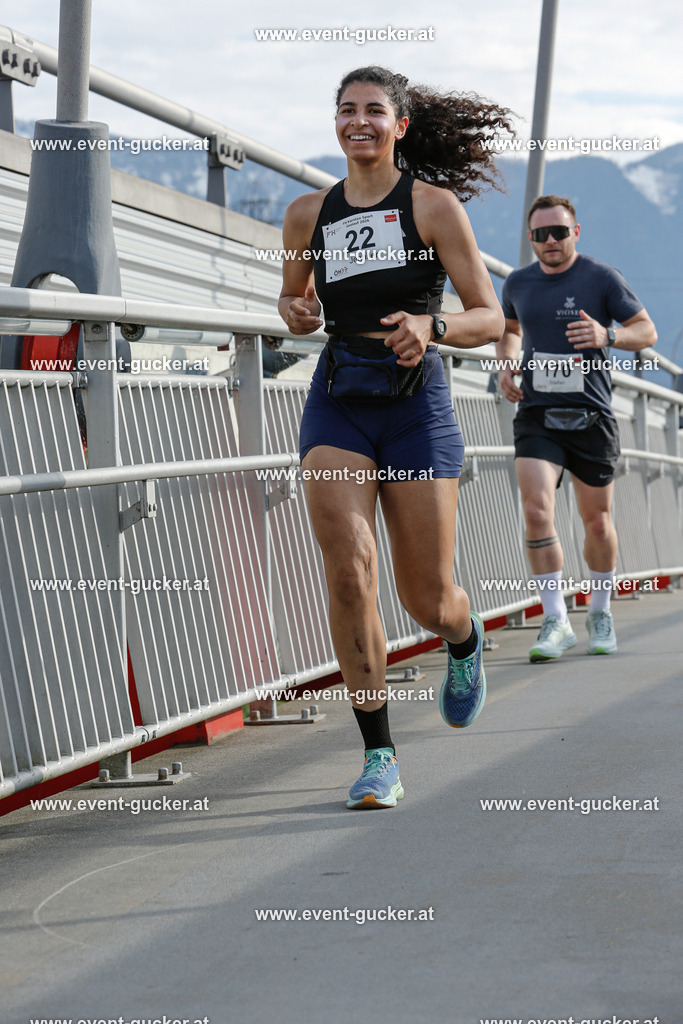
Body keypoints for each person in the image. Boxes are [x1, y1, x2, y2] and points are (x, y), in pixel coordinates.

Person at [278, 65, 511, 808]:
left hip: (416, 409)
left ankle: (462, 634)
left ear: (399, 126)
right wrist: (296, 311)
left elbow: (489, 316)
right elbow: (292, 294)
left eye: (374, 111)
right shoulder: (307, 213)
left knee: (424, 597)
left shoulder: (433, 207)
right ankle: (379, 754)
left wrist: (430, 325)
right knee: (347, 568)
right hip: (339, 399)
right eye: (345, 110)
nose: (358, 122)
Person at [497, 195, 657, 662]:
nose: (550, 241)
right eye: (541, 234)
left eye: (559, 232)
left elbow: (646, 329)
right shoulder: (518, 282)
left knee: (597, 522)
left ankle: (600, 610)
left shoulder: (601, 278)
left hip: (591, 415)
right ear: (531, 239)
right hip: (537, 412)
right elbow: (509, 330)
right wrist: (506, 366)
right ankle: (555, 619)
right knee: (536, 509)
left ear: (576, 233)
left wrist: (610, 336)